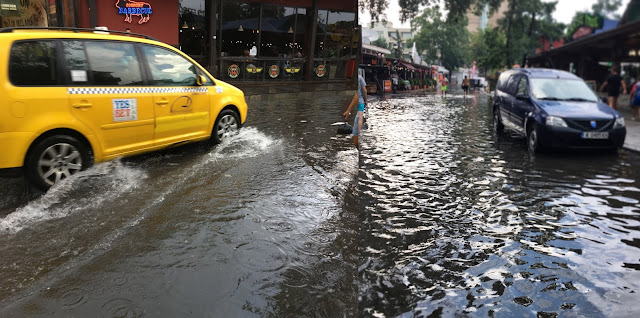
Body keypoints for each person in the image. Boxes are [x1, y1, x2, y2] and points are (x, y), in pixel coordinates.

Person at [343, 74, 367, 149]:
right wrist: (366, 101)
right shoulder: (360, 78)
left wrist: (348, 110)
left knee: (356, 132)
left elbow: (359, 94)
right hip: (361, 104)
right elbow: (365, 91)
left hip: (359, 105)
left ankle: (358, 149)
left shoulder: (358, 78)